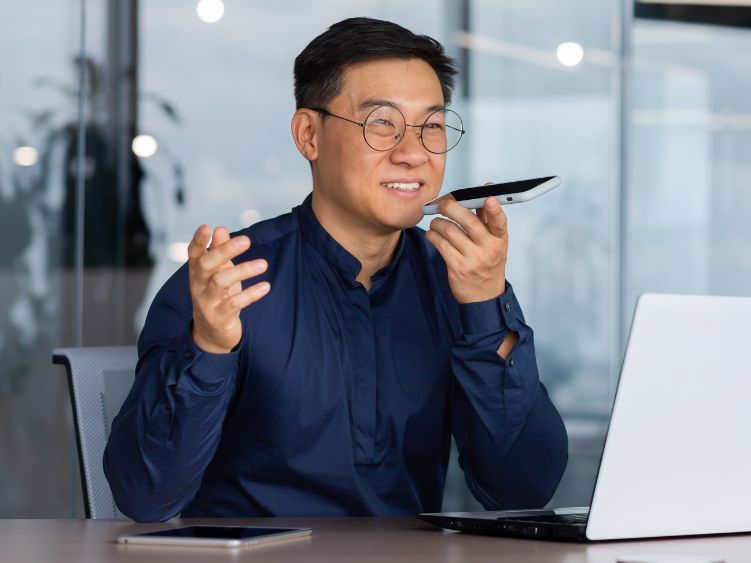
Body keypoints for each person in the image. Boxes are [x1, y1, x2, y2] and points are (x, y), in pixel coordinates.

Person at [103, 17, 568, 522]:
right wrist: (210, 346)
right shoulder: (228, 282)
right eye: (382, 123)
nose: (414, 154)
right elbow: (145, 497)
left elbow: (521, 491)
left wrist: (484, 306)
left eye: (432, 126)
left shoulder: (458, 279)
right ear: (309, 135)